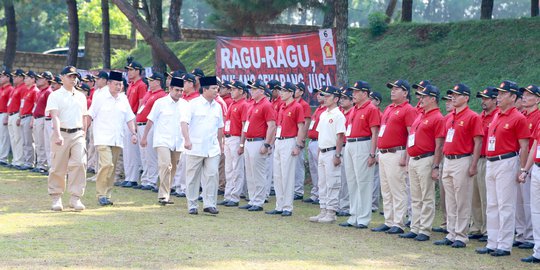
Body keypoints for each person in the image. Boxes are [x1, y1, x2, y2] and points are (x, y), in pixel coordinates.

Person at [476, 80, 530, 256]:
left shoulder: (518, 118)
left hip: (507, 160)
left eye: (502, 94)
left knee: (505, 205)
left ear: (513, 97)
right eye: (498, 94)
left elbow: (524, 146)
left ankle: (504, 245)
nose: (498, 97)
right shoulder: (498, 115)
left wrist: (522, 169)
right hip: (491, 160)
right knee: (492, 204)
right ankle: (492, 242)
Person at [434, 83, 483, 248]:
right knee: (450, 199)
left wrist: (474, 164)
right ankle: (451, 233)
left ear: (466, 97)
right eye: (452, 95)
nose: (453, 97)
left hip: (463, 159)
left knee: (462, 198)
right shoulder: (450, 117)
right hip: (448, 159)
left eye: (457, 94)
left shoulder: (472, 116)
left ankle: (461, 235)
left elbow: (478, 142)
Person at [399, 85, 445, 241]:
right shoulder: (421, 115)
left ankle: (424, 229)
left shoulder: (437, 117)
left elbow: (439, 144)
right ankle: (415, 226)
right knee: (416, 196)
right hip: (414, 159)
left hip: (426, 158)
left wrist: (436, 166)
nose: (420, 99)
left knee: (427, 196)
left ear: (433, 98)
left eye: (424, 97)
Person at [372, 80, 416, 234]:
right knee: (386, 189)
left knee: (398, 189)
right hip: (384, 153)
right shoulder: (389, 108)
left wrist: (406, 155)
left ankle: (399, 222)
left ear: (405, 93)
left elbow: (411, 134)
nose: (392, 91)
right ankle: (389, 220)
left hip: (397, 152)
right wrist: (378, 150)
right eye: (392, 88)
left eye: (397, 89)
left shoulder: (408, 109)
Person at [88, 71, 137, 206]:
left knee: (112, 168)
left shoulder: (123, 98)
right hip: (102, 137)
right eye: (116, 84)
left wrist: (133, 133)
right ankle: (101, 194)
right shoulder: (100, 97)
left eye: (120, 84)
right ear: (109, 83)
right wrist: (83, 131)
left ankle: (107, 195)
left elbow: (129, 118)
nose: (118, 86)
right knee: (107, 164)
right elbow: (90, 115)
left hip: (117, 138)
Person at [46, 66, 89, 211]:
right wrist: (57, 134)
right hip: (62, 133)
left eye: (75, 76)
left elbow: (84, 117)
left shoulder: (81, 96)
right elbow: (55, 116)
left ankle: (75, 198)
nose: (73, 79)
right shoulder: (55, 95)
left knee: (80, 163)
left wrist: (84, 133)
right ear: (62, 77)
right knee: (58, 166)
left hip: (78, 133)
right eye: (70, 76)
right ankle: (56, 197)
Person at [141, 77, 188, 205]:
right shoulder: (160, 102)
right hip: (162, 140)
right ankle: (163, 195)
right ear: (170, 89)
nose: (179, 93)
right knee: (165, 165)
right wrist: (144, 137)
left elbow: (186, 123)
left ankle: (166, 192)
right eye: (177, 90)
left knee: (172, 168)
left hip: (178, 140)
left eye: (181, 91)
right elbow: (150, 120)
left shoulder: (185, 105)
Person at [340, 81, 380, 228]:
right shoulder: (354, 109)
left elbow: (375, 132)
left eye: (357, 92)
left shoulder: (371, 108)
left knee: (363, 181)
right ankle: (354, 215)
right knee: (352, 181)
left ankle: (363, 217)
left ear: (365, 93)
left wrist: (372, 153)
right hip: (350, 143)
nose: (353, 94)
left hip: (363, 143)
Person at [182, 76, 224, 215]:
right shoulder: (193, 104)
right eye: (213, 89)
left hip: (212, 148)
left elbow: (220, 127)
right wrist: (187, 140)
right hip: (195, 146)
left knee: (212, 174)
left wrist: (220, 144)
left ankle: (209, 203)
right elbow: (184, 123)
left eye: (217, 88)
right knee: (193, 177)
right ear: (205, 89)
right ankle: (192, 204)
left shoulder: (217, 106)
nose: (216, 91)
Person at [266, 82, 305, 217]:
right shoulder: (282, 106)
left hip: (289, 140)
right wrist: (271, 143)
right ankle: (279, 205)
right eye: (281, 91)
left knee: (287, 175)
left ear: (290, 92)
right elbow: (277, 126)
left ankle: (287, 206)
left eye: (284, 91)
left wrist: (298, 145)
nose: (281, 93)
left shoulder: (297, 107)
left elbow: (301, 127)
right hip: (279, 140)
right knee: (277, 175)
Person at [309, 86, 346, 223]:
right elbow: (320, 134)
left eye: (328, 96)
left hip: (331, 151)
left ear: (336, 99)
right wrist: (319, 150)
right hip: (323, 150)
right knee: (322, 182)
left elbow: (340, 136)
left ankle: (331, 211)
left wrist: (337, 154)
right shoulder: (323, 114)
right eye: (324, 95)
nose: (325, 98)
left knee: (333, 182)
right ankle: (323, 209)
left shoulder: (338, 115)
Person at [468, 87, 498, 241]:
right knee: (475, 195)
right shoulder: (480, 116)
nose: (483, 101)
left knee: (486, 196)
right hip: (476, 157)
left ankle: (488, 229)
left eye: (487, 98)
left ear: (495, 100)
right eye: (482, 98)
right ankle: (476, 227)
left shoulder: (497, 116)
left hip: (489, 158)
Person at [514, 84, 540, 249]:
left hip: (532, 160)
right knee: (518, 199)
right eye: (523, 94)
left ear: (537, 99)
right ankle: (521, 233)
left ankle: (530, 236)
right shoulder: (522, 115)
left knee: (529, 201)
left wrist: (525, 167)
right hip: (518, 156)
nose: (523, 96)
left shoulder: (537, 116)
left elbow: (533, 144)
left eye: (528, 95)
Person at [218, 80, 249, 208]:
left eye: (234, 89)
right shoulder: (233, 104)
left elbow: (244, 126)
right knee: (229, 168)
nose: (231, 91)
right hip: (229, 137)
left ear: (241, 91)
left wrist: (242, 144)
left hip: (236, 138)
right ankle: (228, 195)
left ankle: (235, 196)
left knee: (237, 168)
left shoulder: (244, 105)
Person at [135, 72, 167, 191]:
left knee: (150, 154)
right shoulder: (150, 93)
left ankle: (152, 180)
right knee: (144, 155)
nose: (149, 82)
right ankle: (146, 178)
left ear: (158, 81)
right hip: (141, 124)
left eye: (152, 80)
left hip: (150, 125)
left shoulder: (161, 95)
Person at [121, 60, 145, 188]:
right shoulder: (131, 84)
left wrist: (136, 118)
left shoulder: (141, 85)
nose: (129, 72)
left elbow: (141, 103)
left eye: (131, 70)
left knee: (133, 151)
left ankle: (133, 177)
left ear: (137, 71)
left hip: (133, 117)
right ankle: (128, 176)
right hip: (127, 117)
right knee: (127, 150)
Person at [303, 88, 326, 205]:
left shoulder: (327, 110)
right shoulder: (318, 109)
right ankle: (315, 193)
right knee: (314, 170)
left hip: (320, 142)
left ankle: (322, 195)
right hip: (312, 141)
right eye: (317, 93)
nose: (318, 96)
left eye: (321, 94)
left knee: (320, 170)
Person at [31, 71, 54, 174]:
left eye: (41, 78)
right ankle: (41, 164)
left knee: (45, 143)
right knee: (39, 143)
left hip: (44, 119)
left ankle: (46, 165)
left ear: (47, 80)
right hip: (37, 118)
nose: (38, 80)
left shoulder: (48, 92)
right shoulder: (41, 91)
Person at [293, 82, 311, 201]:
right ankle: (293, 188)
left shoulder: (303, 105)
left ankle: (298, 190)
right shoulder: (292, 104)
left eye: (296, 89)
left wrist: (302, 138)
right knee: (291, 165)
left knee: (298, 165)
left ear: (301, 92)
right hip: (290, 136)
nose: (294, 91)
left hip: (297, 136)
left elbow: (306, 123)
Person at [7, 69, 27, 169]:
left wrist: (19, 116)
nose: (13, 78)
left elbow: (22, 104)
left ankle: (19, 160)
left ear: (21, 77)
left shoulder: (23, 88)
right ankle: (15, 159)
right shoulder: (16, 88)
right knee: (13, 139)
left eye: (16, 76)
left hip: (16, 114)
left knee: (18, 138)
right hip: (11, 114)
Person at [19, 71, 39, 170]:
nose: (25, 80)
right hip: (23, 117)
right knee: (24, 141)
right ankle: (26, 161)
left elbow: (35, 106)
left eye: (27, 78)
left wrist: (32, 119)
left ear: (33, 79)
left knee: (29, 141)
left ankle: (30, 162)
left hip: (29, 117)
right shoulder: (27, 90)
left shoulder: (35, 90)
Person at [369, 91, 383, 213]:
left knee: (375, 177)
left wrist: (376, 151)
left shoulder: (379, 114)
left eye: (371, 99)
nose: (369, 101)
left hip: (376, 145)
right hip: (369, 144)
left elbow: (378, 133)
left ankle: (373, 203)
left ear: (377, 101)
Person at [0, 69, 13, 166]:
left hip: (4, 113)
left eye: (3, 76)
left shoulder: (10, 89)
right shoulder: (1, 89)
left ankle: (3, 158)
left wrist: (7, 116)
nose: (0, 78)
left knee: (4, 137)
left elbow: (10, 104)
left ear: (8, 77)